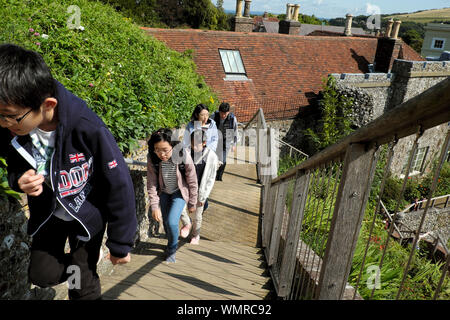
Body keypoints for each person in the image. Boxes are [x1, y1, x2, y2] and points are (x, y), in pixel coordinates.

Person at [0, 44, 137, 300]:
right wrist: (18, 180)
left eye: (9, 117)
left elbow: (118, 182)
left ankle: (84, 272)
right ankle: (79, 269)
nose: (3, 124)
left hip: (87, 215)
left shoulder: (87, 127)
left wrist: (120, 243)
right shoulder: (15, 122)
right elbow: (13, 159)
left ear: (48, 104)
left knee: (82, 288)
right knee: (41, 275)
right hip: (48, 214)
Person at [146, 128, 198, 263]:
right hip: (163, 192)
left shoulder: (182, 154)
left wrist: (192, 202)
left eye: (165, 150)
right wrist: (154, 206)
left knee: (172, 221)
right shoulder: (152, 158)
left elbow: (192, 180)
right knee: (166, 223)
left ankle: (172, 250)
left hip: (179, 193)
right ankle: (170, 243)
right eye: (157, 150)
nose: (162, 154)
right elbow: (151, 183)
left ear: (173, 146)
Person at [179, 104, 218, 234]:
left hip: (206, 157)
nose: (205, 117)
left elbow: (214, 140)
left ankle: (196, 232)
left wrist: (209, 155)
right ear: (197, 115)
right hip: (192, 157)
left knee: (202, 198)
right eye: (202, 115)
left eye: (207, 115)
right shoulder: (191, 126)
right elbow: (186, 141)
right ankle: (189, 222)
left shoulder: (212, 125)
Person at [188, 130, 219, 244]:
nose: (194, 147)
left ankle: (195, 235)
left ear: (204, 143)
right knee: (184, 212)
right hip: (187, 189)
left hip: (200, 191)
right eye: (192, 144)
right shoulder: (186, 153)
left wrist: (204, 196)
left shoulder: (211, 156)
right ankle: (187, 224)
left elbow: (211, 179)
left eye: (197, 144)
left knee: (197, 215)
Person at [212, 102, 238, 181]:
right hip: (215, 140)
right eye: (221, 114)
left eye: (225, 114)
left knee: (223, 160)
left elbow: (235, 131)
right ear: (219, 111)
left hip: (226, 140)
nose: (223, 116)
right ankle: (212, 174)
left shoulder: (233, 119)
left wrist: (234, 144)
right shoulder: (213, 116)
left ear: (228, 112)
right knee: (213, 158)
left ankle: (219, 177)